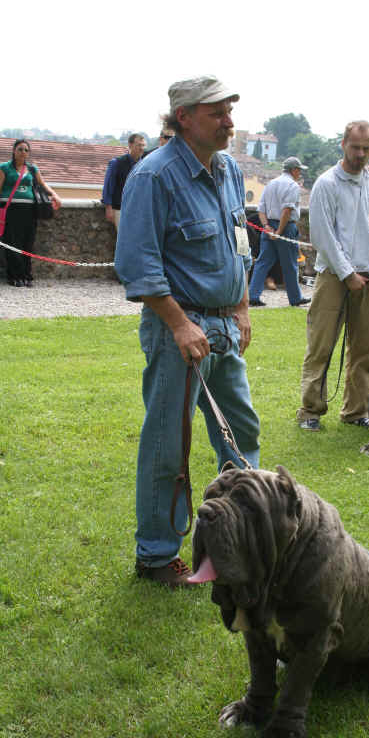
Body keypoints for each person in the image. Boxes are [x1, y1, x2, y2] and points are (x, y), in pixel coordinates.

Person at [115, 75, 260, 588]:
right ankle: (156, 557)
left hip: (223, 327)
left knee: (242, 434)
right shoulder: (153, 177)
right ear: (184, 117)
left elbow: (239, 246)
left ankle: (242, 540)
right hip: (178, 330)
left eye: (230, 111)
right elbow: (137, 263)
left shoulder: (229, 173)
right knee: (167, 446)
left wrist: (241, 308)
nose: (229, 122)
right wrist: (178, 324)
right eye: (217, 112)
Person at [296, 120, 369, 432]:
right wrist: (347, 273)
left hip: (367, 278)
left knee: (366, 349)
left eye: (367, 148)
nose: (361, 154)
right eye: (355, 147)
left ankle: (356, 411)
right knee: (321, 346)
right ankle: (310, 411)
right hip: (332, 277)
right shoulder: (327, 184)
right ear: (343, 144)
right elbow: (323, 235)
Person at [248, 157, 311, 307]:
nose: (300, 173)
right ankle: (295, 298)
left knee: (263, 262)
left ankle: (253, 295)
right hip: (285, 227)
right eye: (299, 170)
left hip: (268, 225)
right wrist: (279, 231)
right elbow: (287, 210)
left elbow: (261, 209)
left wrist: (267, 227)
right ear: (294, 170)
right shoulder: (293, 186)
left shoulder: (270, 184)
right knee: (289, 264)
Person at [0, 139, 62, 287]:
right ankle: (14, 276)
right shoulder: (4, 168)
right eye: (20, 149)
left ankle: (26, 275)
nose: (23, 152)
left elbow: (43, 184)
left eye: (26, 150)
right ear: (14, 151)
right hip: (10, 210)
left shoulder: (32, 169)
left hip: (29, 211)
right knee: (12, 243)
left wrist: (55, 195)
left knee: (27, 243)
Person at [101, 133, 146, 229]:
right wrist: (108, 208)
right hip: (119, 209)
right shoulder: (116, 163)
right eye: (139, 145)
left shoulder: (146, 165)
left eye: (143, 145)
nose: (142, 148)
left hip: (139, 210)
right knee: (124, 241)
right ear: (130, 145)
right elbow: (108, 186)